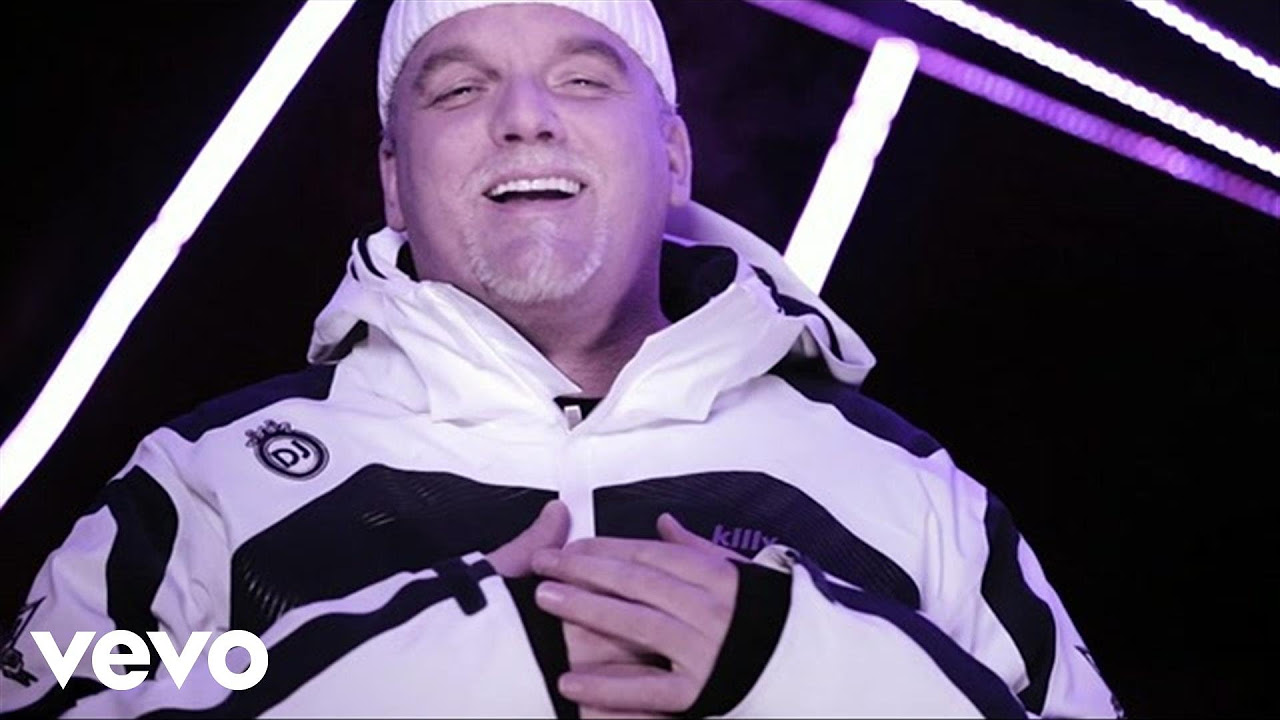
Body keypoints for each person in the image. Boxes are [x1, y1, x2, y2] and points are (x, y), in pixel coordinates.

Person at [0, 1, 1121, 717]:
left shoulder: (910, 492)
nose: (524, 118)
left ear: (672, 155)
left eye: (583, 79)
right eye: (458, 88)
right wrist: (408, 667)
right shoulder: (207, 479)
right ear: (394, 180)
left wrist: (803, 667)